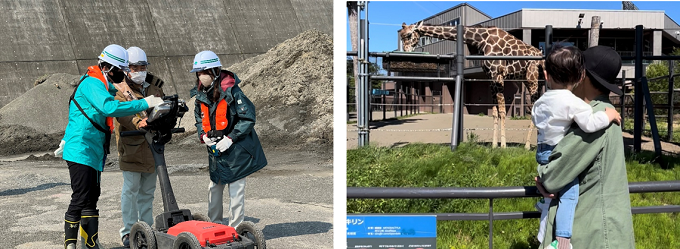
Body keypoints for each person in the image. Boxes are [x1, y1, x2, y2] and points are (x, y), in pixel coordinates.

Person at [55, 44, 164, 249]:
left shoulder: (102, 83)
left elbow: (120, 93)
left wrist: (135, 93)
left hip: (93, 150)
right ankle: (70, 245)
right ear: (108, 67)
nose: (122, 75)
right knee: (80, 197)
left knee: (92, 196)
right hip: (81, 148)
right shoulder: (92, 84)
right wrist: (144, 103)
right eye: (120, 70)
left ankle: (90, 243)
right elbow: (109, 107)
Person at [536, 46, 635, 249]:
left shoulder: (595, 119)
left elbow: (553, 177)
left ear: (583, 77)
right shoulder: (608, 113)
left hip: (594, 232)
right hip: (608, 228)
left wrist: (542, 175)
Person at [190, 50, 267, 228]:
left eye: (204, 72)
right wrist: (203, 135)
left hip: (236, 151)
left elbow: (248, 118)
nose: (201, 77)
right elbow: (199, 118)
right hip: (216, 152)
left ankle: (236, 230)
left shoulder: (233, 92)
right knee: (214, 189)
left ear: (215, 71)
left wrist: (231, 138)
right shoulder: (201, 95)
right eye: (199, 73)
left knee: (236, 192)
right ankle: (214, 226)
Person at [113, 47, 164, 248]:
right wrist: (138, 122)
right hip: (131, 146)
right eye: (135, 67)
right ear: (126, 69)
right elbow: (121, 113)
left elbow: (162, 104)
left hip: (153, 146)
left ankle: (146, 228)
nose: (140, 70)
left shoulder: (154, 87)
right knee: (131, 190)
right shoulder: (119, 90)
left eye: (142, 67)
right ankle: (128, 231)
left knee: (148, 191)